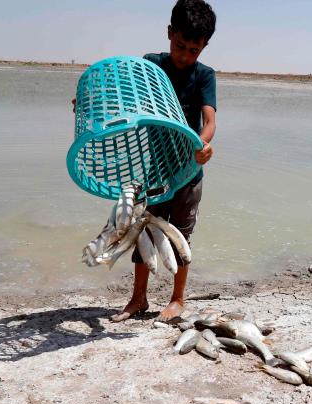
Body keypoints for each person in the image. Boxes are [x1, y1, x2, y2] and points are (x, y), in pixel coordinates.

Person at [110, 0, 217, 322]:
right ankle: (138, 298)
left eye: (194, 50)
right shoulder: (151, 65)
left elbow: (209, 121)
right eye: (180, 45)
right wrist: (92, 104)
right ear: (169, 33)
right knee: (142, 232)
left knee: (180, 237)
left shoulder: (204, 76)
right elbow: (124, 98)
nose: (185, 55)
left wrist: (205, 145)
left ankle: (178, 299)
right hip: (154, 170)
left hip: (187, 172)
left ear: (204, 47)